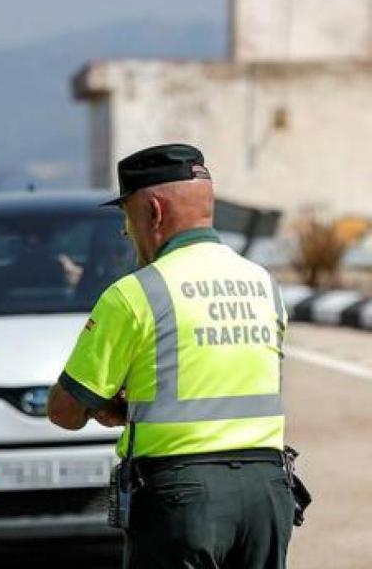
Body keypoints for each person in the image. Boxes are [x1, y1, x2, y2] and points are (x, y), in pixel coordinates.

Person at [46, 144, 295, 569]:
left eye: (128, 218)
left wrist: (113, 407)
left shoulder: (137, 293)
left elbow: (66, 412)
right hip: (267, 492)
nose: (128, 232)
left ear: (154, 213)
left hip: (183, 497)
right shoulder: (263, 284)